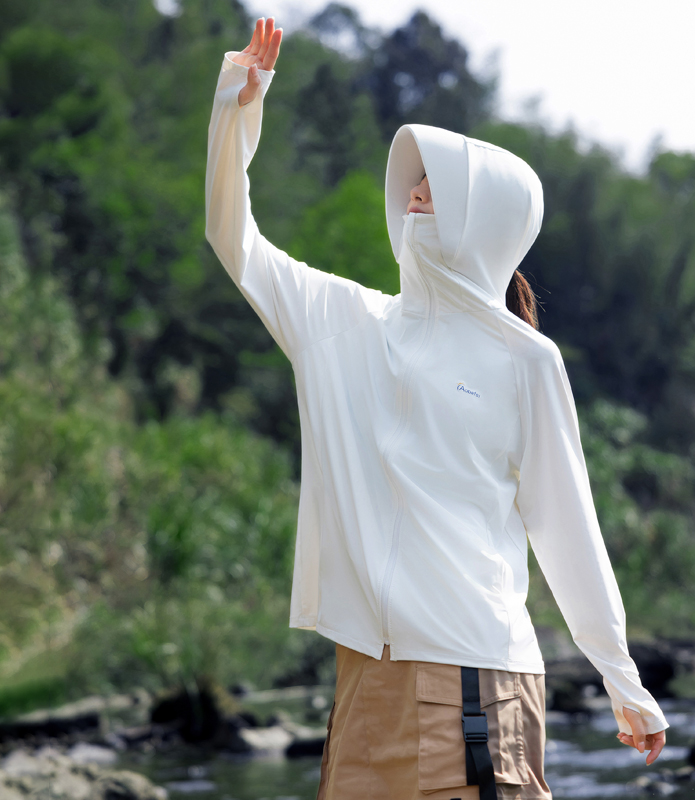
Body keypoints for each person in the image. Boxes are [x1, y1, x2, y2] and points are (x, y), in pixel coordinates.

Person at [205, 16, 668, 800]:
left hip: (472, 679)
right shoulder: (341, 320)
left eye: (439, 186)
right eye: (415, 181)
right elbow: (232, 237)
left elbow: (567, 530)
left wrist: (621, 678)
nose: (417, 193)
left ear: (487, 218)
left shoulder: (525, 360)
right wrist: (236, 110)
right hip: (364, 677)